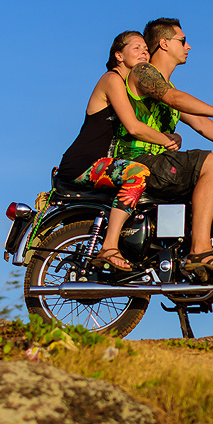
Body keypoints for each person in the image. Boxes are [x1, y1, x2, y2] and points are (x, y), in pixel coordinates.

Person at [110, 17, 213, 277]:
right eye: (183, 40)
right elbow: (174, 98)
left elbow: (200, 123)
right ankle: (200, 250)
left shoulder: (168, 87)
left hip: (156, 164)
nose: (188, 47)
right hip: (138, 161)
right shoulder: (142, 72)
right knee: (211, 163)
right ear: (164, 43)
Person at [55, 31, 181, 272]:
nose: (144, 52)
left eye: (146, 48)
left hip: (102, 162)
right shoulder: (111, 79)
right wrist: (166, 140)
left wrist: (173, 136)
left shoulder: (130, 87)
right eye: (137, 48)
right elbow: (133, 126)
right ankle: (109, 247)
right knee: (138, 172)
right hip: (83, 163)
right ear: (119, 55)